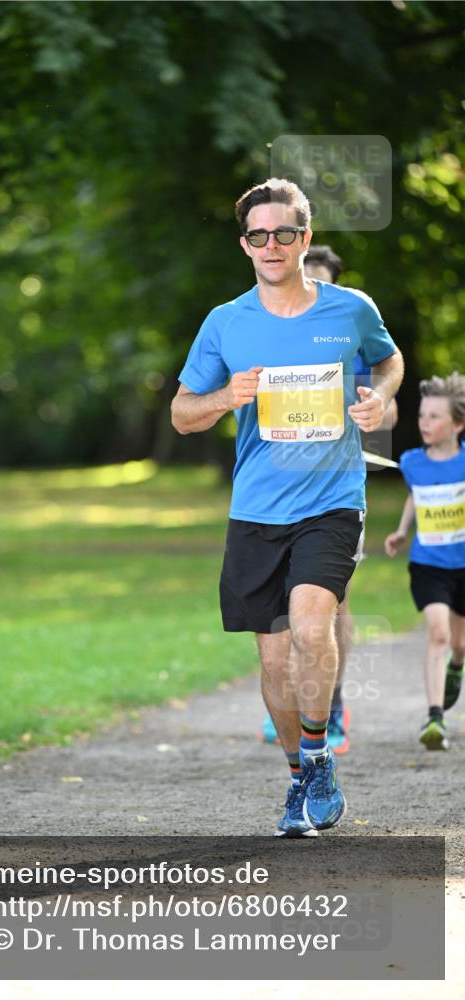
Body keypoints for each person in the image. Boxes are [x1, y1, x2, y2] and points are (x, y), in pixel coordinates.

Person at [171, 178, 404, 837]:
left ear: (304, 238)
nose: (270, 245)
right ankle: (304, 769)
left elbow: (389, 363)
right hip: (256, 509)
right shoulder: (225, 323)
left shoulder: (349, 310)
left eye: (283, 233)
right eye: (257, 235)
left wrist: (378, 399)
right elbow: (182, 413)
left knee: (309, 630)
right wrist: (225, 397)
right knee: (273, 661)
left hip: (331, 502)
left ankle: (317, 749)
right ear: (243, 244)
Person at [260, 244, 399, 754]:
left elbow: (389, 407)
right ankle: (291, 703)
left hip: (334, 489)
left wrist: (373, 409)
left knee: (331, 602)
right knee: (281, 605)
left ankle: (331, 706)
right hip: (276, 494)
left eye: (315, 278)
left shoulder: (348, 328)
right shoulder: (267, 326)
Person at [384, 372, 465, 749]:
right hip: (428, 563)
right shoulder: (412, 462)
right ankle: (435, 718)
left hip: (462, 565)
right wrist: (402, 531)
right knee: (438, 631)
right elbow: (416, 497)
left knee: (458, 643)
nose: (424, 423)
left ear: (458, 424)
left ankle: (457, 665)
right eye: (421, 416)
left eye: (434, 416)